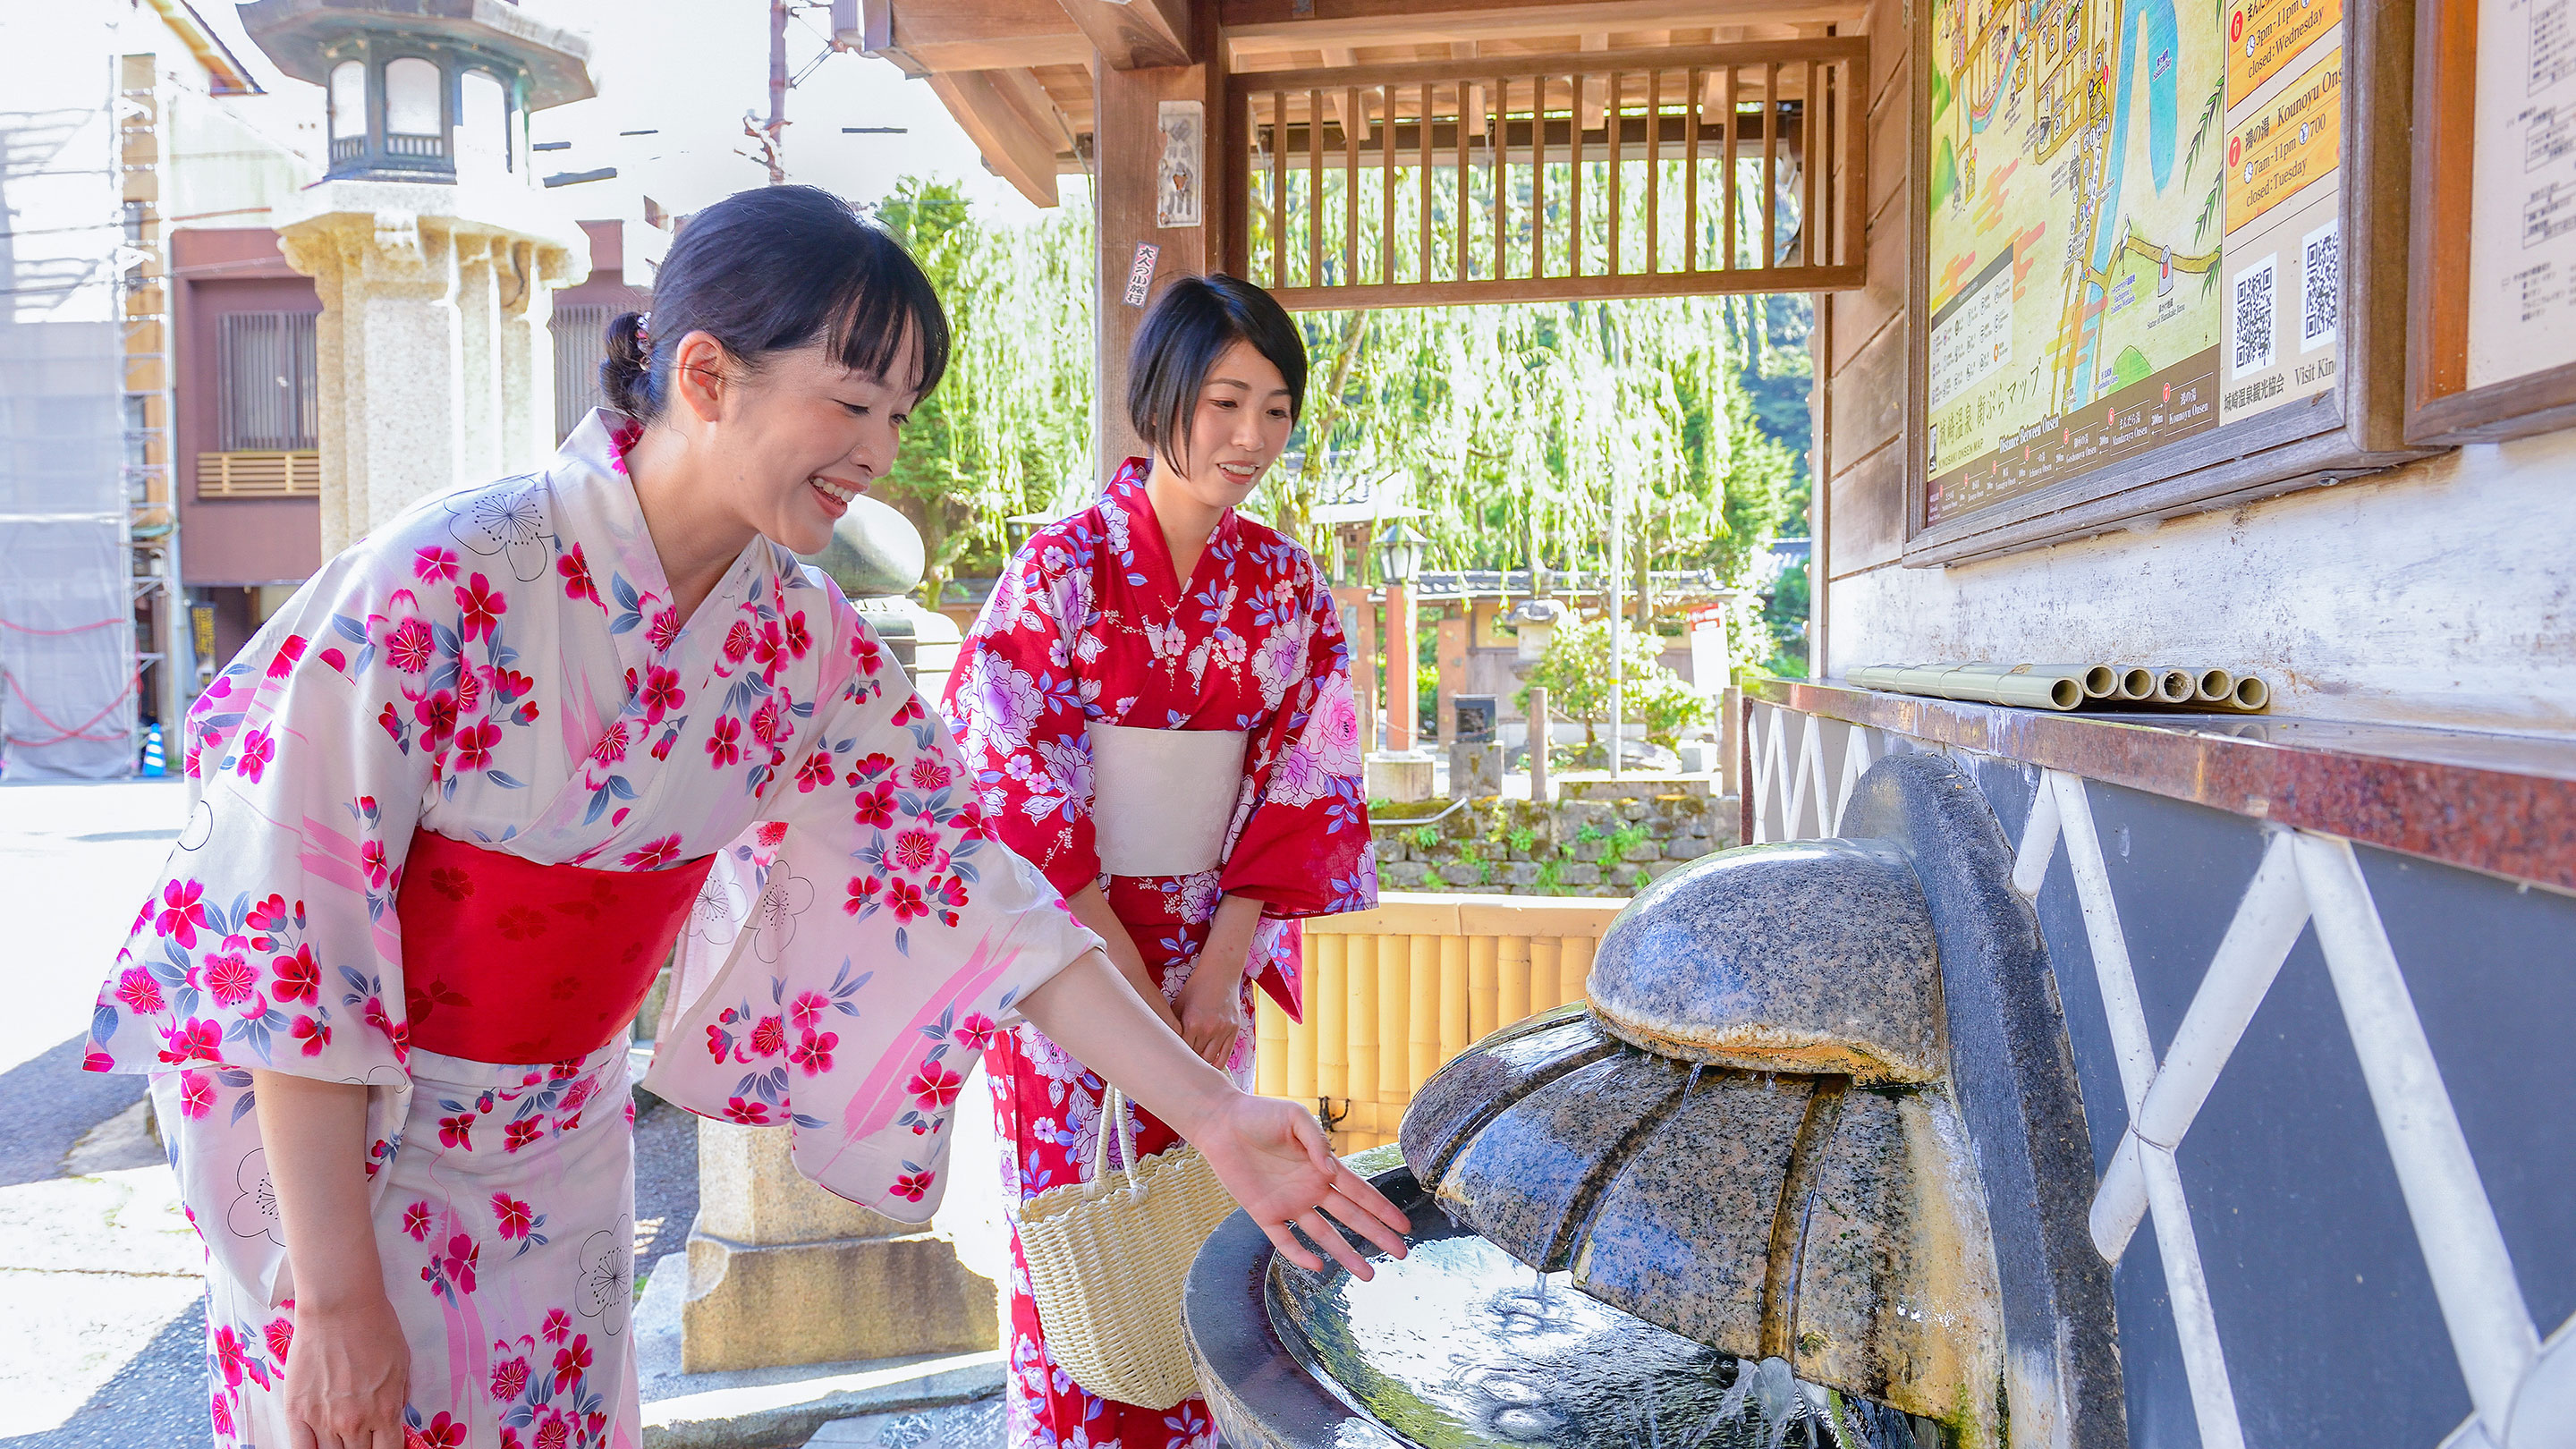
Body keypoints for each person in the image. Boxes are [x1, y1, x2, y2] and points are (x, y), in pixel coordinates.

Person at [82, 188, 1404, 1449]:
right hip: (349, 1165)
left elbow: (977, 890)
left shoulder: (797, 642)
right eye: (850, 402)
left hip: (563, 1144)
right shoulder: (440, 583)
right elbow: (288, 938)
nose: (880, 454)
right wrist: (331, 1291)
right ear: (707, 377)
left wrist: (1216, 1116)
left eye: (898, 412)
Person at [943, 275, 1377, 1449]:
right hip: (1065, 964)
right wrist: (1130, 979)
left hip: (1208, 957)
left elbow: (1303, 780)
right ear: (1161, 398)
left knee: (1203, 1219)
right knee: (1076, 1235)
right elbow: (1016, 800)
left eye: (1276, 408)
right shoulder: (1058, 572)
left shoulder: (1287, 588)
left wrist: (1219, 969)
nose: (1251, 437)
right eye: (1225, 401)